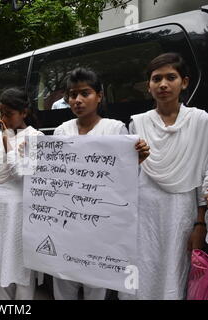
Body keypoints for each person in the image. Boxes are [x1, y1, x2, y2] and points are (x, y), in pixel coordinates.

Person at [52, 68, 150, 300]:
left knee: (95, 284)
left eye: (85, 93)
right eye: (72, 95)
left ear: (99, 95)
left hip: (100, 224)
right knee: (63, 280)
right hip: (65, 221)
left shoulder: (115, 129)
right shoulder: (60, 131)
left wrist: (136, 159)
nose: (77, 100)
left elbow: (124, 179)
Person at [120, 53, 208, 300]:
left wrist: (200, 223)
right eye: (156, 79)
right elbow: (128, 176)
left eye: (171, 77)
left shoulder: (200, 120)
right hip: (144, 212)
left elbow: (205, 172)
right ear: (148, 86)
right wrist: (134, 161)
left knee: (175, 272)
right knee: (145, 267)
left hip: (181, 212)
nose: (163, 85)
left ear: (185, 82)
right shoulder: (137, 124)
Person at [0, 88, 43, 300]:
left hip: (21, 212)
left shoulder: (36, 137)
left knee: (21, 270)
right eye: (1, 113)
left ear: (24, 113)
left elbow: (22, 175)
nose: (2, 119)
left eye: (8, 114)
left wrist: (9, 145)